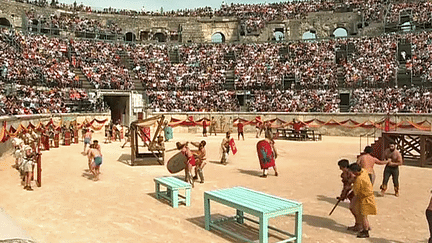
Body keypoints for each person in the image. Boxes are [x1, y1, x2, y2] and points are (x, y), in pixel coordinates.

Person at [349, 163, 377, 238]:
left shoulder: (359, 179)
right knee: (364, 215)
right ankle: (366, 227)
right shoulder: (363, 171)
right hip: (368, 196)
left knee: (363, 216)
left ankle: (365, 231)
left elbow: (356, 192)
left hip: (365, 198)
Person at [337, 159, 358, 231]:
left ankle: (360, 224)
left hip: (357, 191)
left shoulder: (351, 174)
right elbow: (345, 186)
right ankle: (359, 224)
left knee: (354, 208)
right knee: (355, 208)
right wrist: (343, 195)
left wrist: (343, 195)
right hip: (353, 192)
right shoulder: (345, 174)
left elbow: (347, 186)